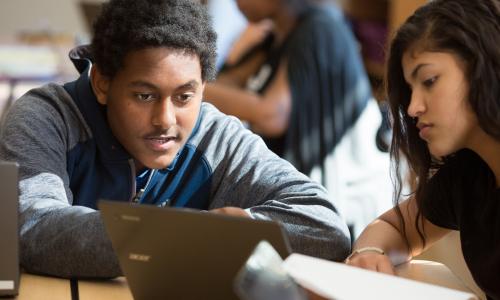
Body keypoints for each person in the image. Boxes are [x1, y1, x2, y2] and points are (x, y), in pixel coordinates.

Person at [0, 0, 351, 278]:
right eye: (144, 96)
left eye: (184, 97)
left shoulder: (215, 137)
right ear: (103, 83)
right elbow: (30, 228)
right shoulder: (45, 118)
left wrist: (247, 227)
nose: (165, 120)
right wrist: (192, 236)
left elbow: (326, 227)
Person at [345, 0, 500, 298]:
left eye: (429, 81)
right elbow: (394, 226)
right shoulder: (469, 177)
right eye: (410, 90)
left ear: (484, 65)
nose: (413, 108)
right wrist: (370, 251)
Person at [204, 0, 392, 237]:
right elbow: (226, 84)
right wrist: (233, 56)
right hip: (293, 192)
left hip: (333, 206)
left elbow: (272, 114)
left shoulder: (319, 28)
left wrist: (188, 86)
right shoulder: (275, 36)